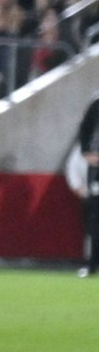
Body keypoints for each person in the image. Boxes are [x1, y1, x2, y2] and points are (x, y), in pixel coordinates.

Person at [78, 92, 99, 277]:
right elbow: (85, 128)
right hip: (97, 169)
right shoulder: (97, 103)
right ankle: (92, 264)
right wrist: (86, 152)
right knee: (95, 217)